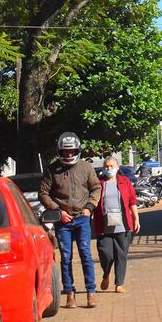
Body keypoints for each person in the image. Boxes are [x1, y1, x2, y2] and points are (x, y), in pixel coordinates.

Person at [39, 132, 102, 309]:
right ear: (60, 151)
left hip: (82, 218)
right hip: (62, 221)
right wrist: (58, 211)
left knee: (86, 255)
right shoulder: (52, 170)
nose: (68, 155)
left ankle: (91, 292)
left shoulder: (86, 167)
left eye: (71, 151)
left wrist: (89, 207)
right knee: (66, 257)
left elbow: (96, 188)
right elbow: (43, 193)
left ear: (77, 150)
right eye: (65, 152)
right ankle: (70, 294)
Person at [93, 156, 140, 294]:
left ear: (117, 167)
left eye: (111, 166)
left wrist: (136, 218)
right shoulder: (99, 183)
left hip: (123, 225)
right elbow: (93, 201)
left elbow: (132, 201)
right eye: (106, 166)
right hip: (104, 225)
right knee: (106, 253)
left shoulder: (125, 182)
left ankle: (119, 283)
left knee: (121, 255)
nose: (109, 169)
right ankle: (106, 273)